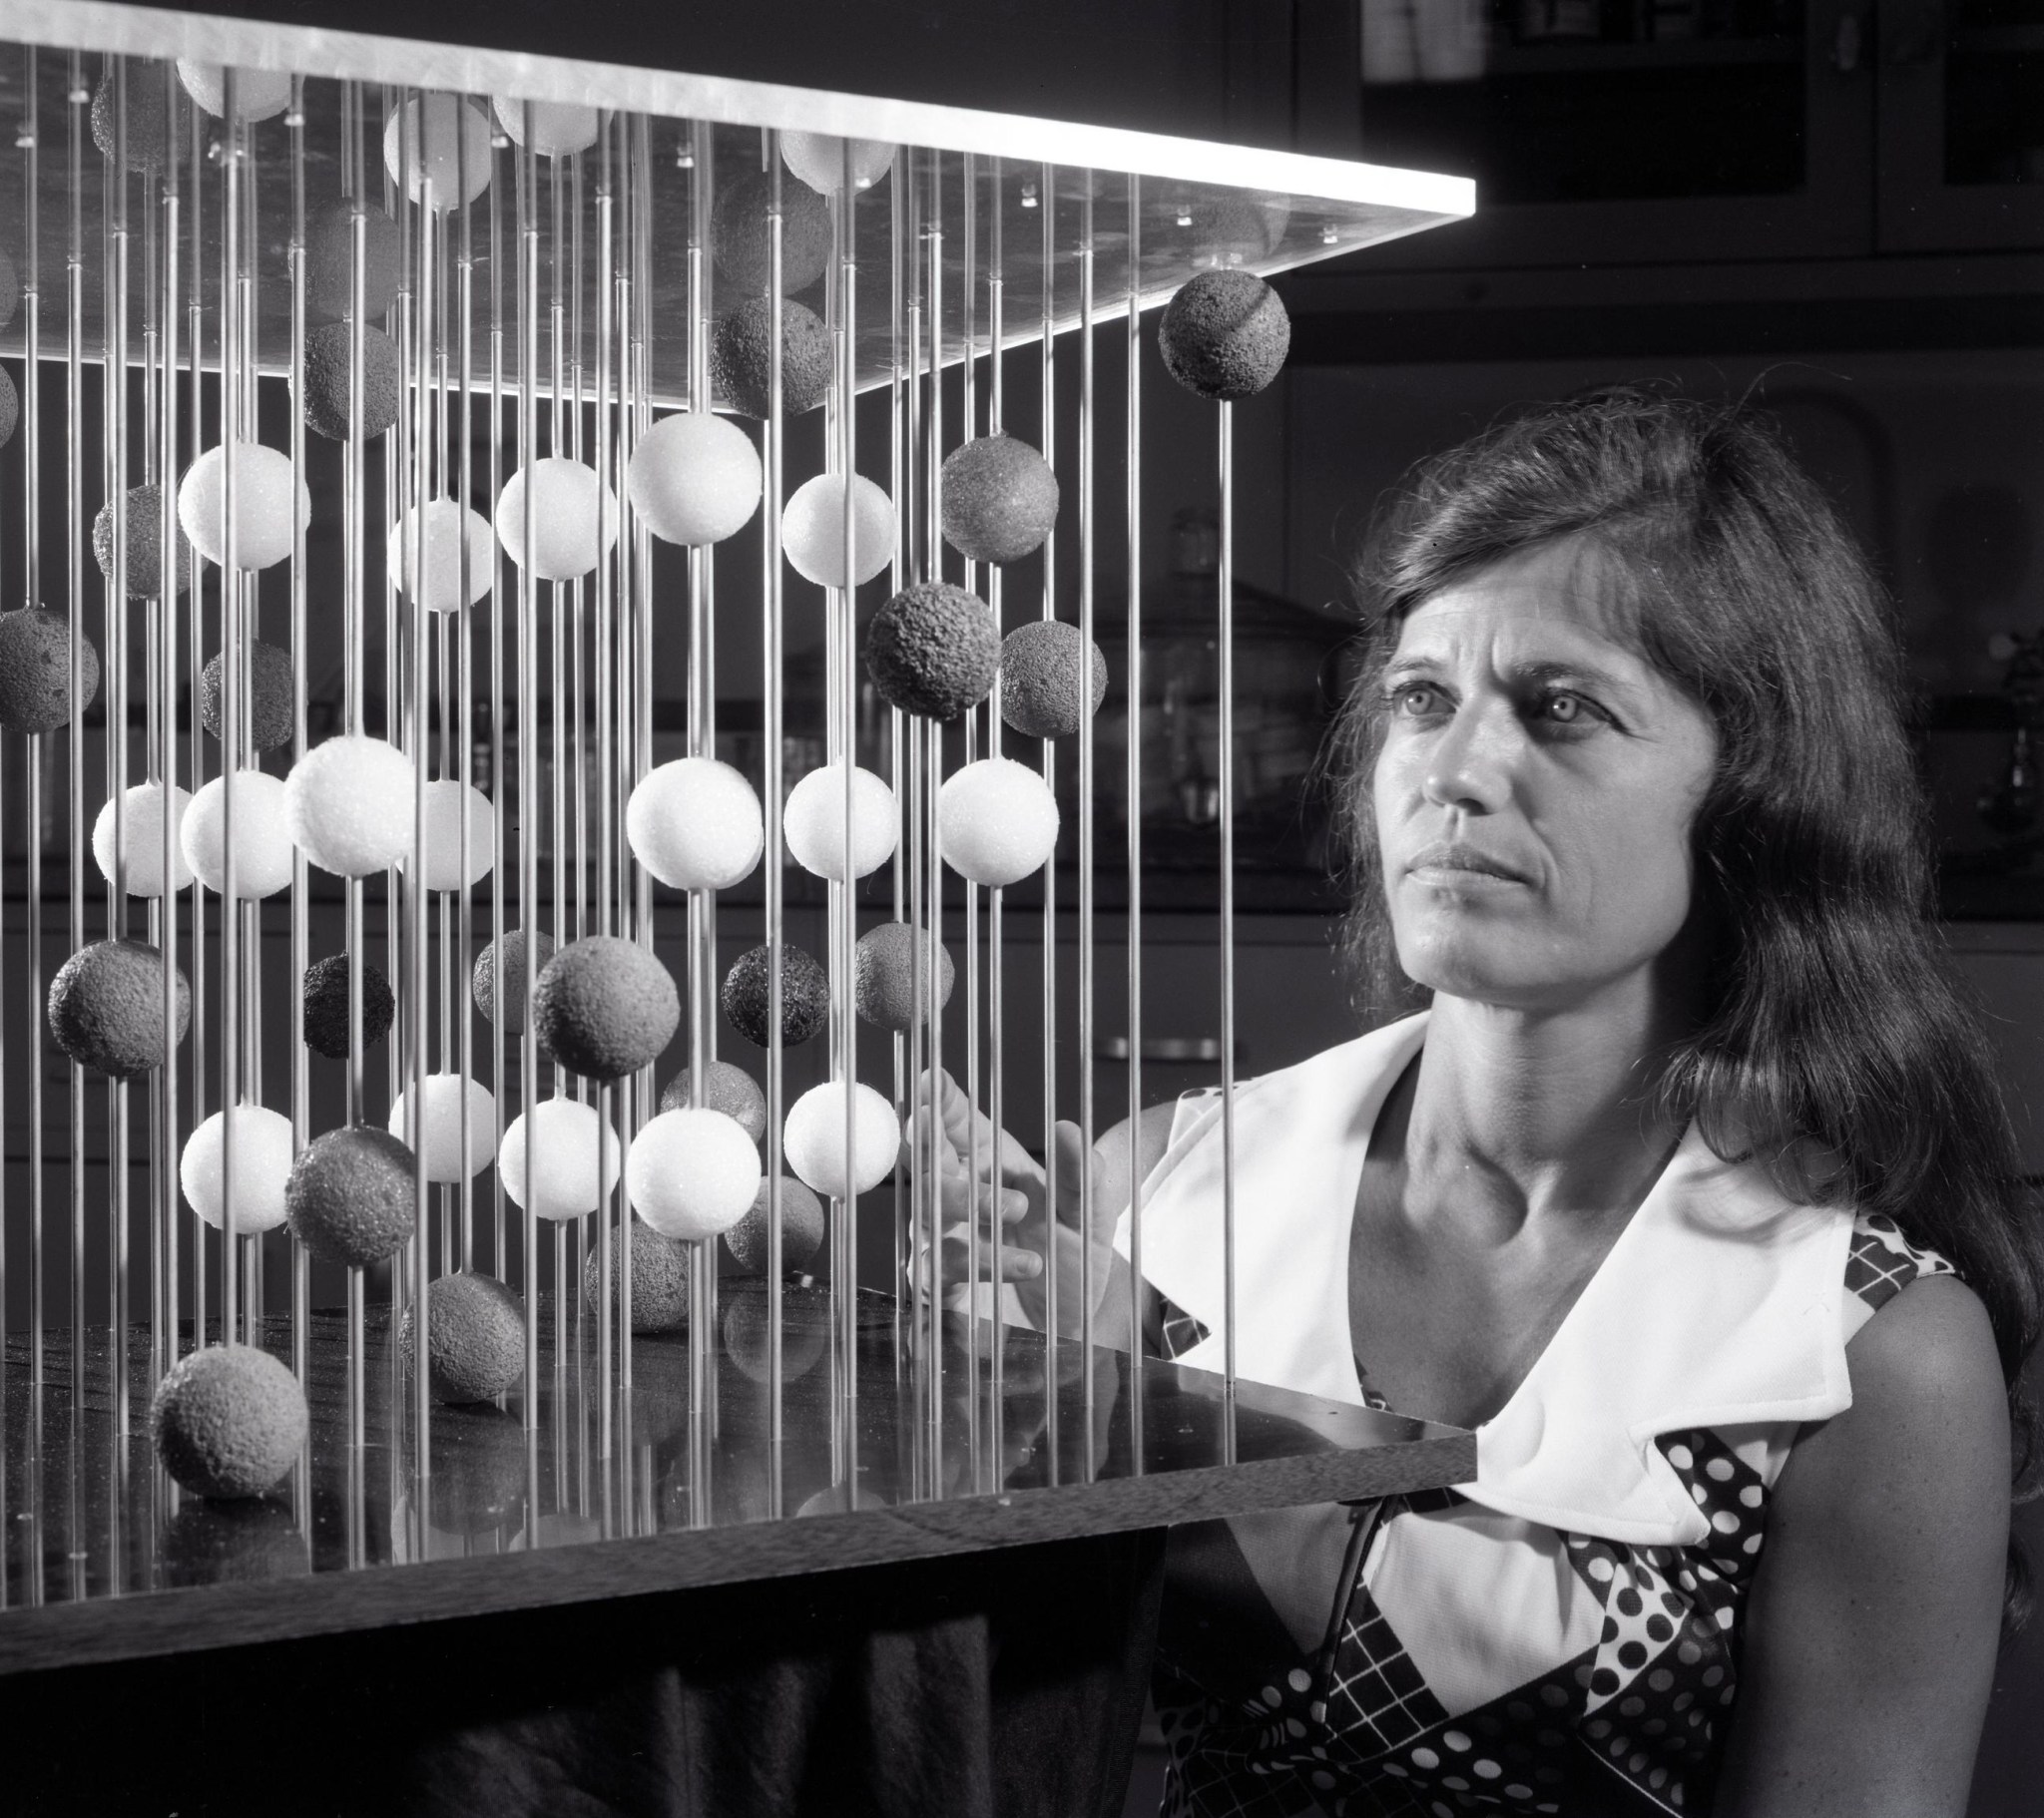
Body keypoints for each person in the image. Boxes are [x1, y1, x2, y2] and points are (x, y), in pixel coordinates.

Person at [921, 388, 2044, 1816]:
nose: (1455, 774)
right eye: (1422, 699)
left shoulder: (1867, 1352)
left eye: (1563, 710)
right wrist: (975, 1402)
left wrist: (1138, 1436)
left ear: (1757, 792)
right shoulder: (1161, 1188)